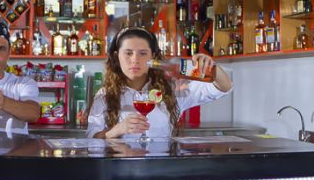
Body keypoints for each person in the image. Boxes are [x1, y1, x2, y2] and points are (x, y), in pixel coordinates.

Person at [87, 27, 233, 139]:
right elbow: (91, 139)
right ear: (116, 56)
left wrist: (212, 67)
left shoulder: (171, 90)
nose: (135, 60)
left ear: (153, 56)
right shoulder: (105, 95)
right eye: (128, 53)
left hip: (162, 167)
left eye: (143, 53)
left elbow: (224, 87)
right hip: (121, 168)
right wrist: (117, 130)